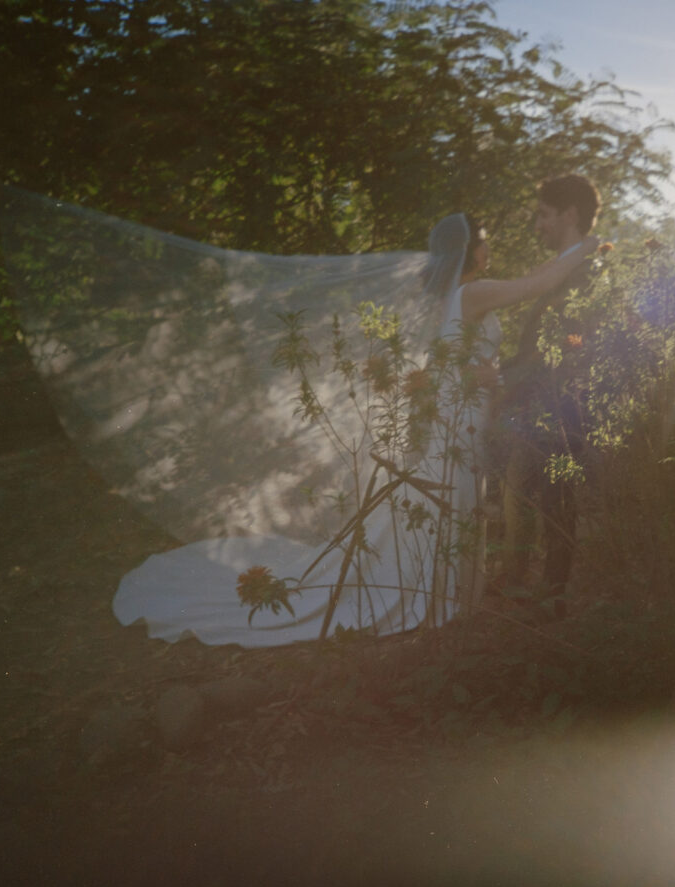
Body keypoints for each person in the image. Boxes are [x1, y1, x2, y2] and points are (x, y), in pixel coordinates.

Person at [104, 211, 598, 647]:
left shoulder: (449, 296)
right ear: (471, 251)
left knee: (447, 498)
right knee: (451, 496)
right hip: (456, 419)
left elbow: (447, 361)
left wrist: (483, 377)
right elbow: (536, 283)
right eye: (485, 239)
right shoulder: (474, 292)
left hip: (454, 415)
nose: (491, 249)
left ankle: (440, 593)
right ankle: (432, 596)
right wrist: (586, 246)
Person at [496, 173, 601, 617]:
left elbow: (565, 343)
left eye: (544, 214)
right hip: (539, 400)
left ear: (570, 215)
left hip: (560, 403)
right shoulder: (568, 265)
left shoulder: (586, 271)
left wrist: (506, 380)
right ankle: (517, 583)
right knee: (522, 494)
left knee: (552, 497)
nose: (537, 225)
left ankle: (549, 596)